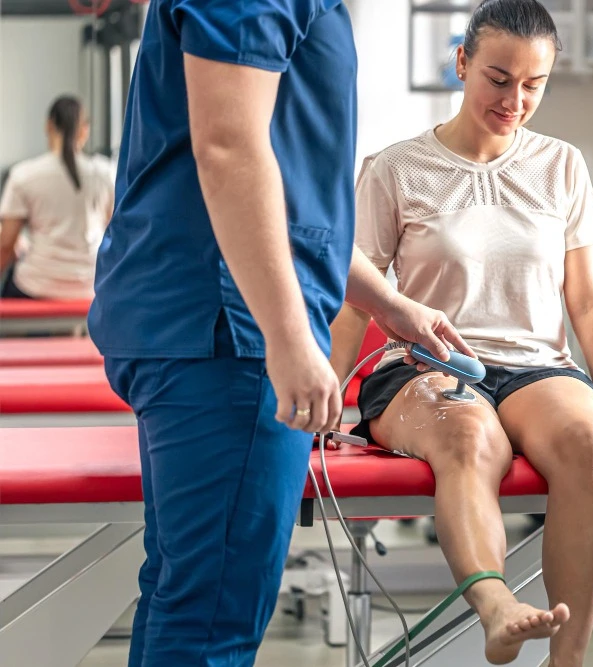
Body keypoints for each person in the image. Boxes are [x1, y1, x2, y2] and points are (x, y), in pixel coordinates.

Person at [86, 2, 471, 665]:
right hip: (228, 331)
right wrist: (287, 338)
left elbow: (286, 196)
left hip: (214, 320)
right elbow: (229, 147)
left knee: (189, 597)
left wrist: (388, 304)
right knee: (212, 617)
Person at [328, 1, 593, 665]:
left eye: (533, 84)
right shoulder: (395, 169)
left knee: (585, 438)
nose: (515, 99)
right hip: (426, 365)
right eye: (499, 78)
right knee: (467, 435)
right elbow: (355, 299)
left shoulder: (562, 165)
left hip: (537, 365)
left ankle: (566, 658)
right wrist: (328, 393)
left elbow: (590, 302)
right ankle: (497, 606)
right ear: (461, 63)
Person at [0, 95, 114, 300]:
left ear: (48, 126)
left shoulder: (24, 174)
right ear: (84, 131)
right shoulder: (106, 174)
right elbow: (116, 232)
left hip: (36, 286)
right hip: (91, 286)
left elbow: (6, 246)